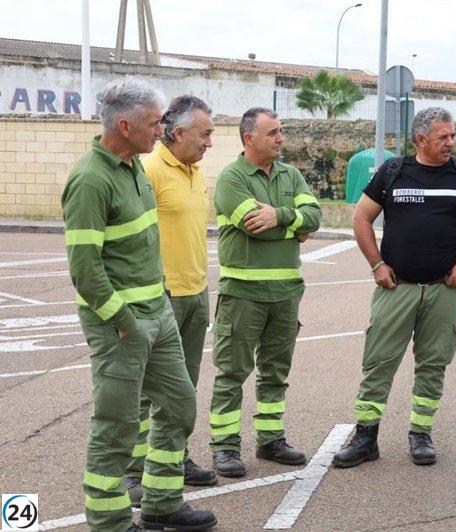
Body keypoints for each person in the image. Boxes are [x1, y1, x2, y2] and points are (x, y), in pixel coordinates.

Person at [62, 78, 217, 531]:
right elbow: (85, 268)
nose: (161, 130)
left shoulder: (133, 167)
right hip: (121, 325)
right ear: (125, 125)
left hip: (159, 313)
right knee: (117, 424)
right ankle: (108, 521)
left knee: (179, 406)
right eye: (154, 123)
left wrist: (158, 311)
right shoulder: (90, 179)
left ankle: (161, 502)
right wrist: (123, 321)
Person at [332, 107, 456, 468]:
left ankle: (420, 434)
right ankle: (366, 437)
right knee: (378, 363)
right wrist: (376, 264)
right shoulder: (393, 172)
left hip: (444, 289)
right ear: (421, 139)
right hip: (397, 288)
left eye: (453, 135)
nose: (451, 142)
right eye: (444, 137)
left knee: (433, 364)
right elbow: (361, 218)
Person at [208, 107, 321, 478]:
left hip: (286, 293)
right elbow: (253, 225)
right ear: (249, 138)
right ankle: (225, 447)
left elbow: (315, 217)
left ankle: (270, 440)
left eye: (281, 131)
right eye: (272, 132)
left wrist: (280, 216)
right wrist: (293, 224)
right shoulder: (231, 178)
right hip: (243, 294)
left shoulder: (292, 175)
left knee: (275, 371)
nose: (280, 138)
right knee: (232, 372)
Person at [120, 95, 218, 506]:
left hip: (195, 294)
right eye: (205, 134)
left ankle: (173, 460)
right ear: (177, 133)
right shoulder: (149, 170)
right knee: (145, 391)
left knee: (183, 388)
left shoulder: (194, 171)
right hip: (161, 297)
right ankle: (135, 472)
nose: (210, 142)